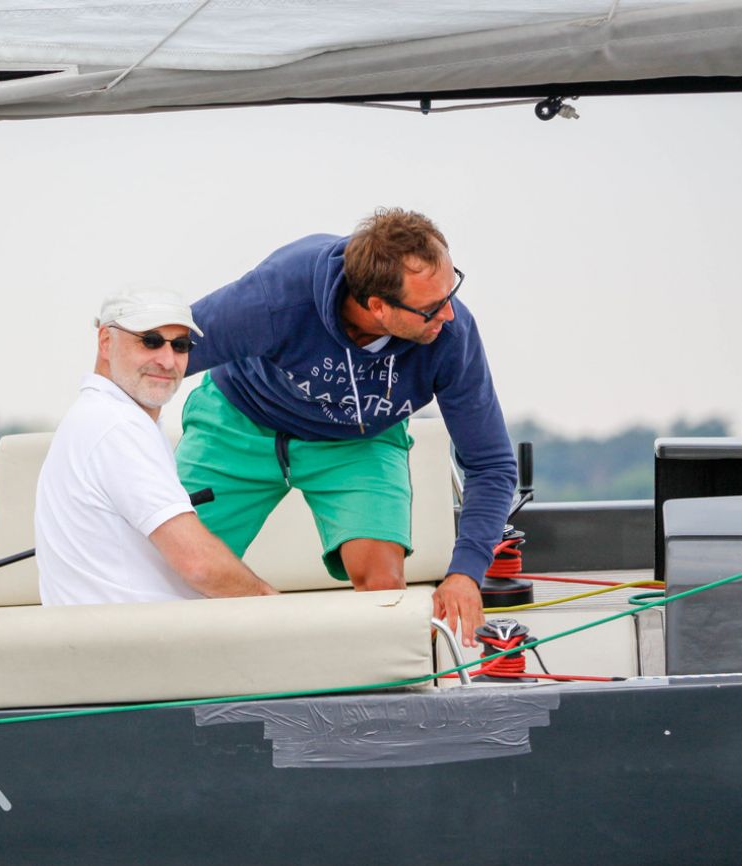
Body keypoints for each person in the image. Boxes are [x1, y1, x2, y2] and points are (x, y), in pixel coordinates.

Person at [176, 208, 517, 645]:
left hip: (359, 439)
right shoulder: (276, 295)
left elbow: (491, 464)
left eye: (451, 291)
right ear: (377, 306)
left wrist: (465, 573)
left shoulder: (451, 336)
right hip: (239, 423)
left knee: (382, 590)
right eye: (431, 308)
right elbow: (160, 354)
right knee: (165, 572)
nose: (449, 315)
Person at [35, 290, 279, 606]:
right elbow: (199, 565)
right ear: (106, 342)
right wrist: (270, 602)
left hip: (117, 625)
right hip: (135, 632)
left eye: (180, 346)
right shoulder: (118, 426)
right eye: (150, 341)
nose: (167, 361)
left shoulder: (98, 415)